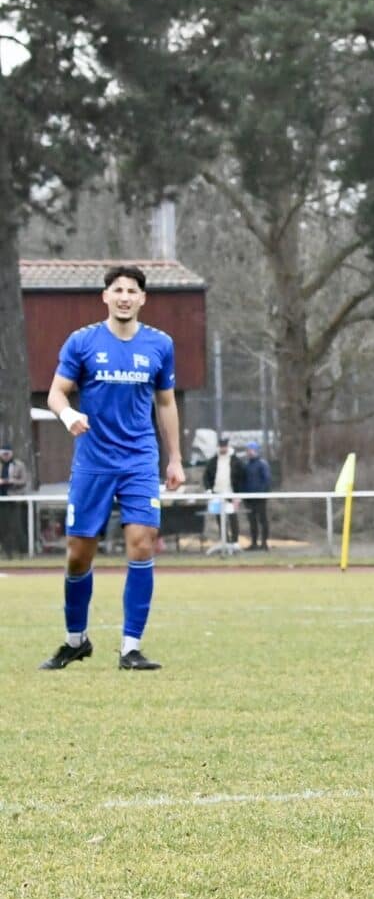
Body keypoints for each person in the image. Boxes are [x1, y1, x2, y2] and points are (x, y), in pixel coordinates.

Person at [37, 266, 184, 670]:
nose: (124, 296)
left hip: (139, 460)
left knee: (142, 542)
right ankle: (75, 640)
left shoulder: (160, 344)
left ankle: (130, 648)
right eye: (117, 289)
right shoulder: (83, 342)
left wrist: (174, 459)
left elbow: (166, 403)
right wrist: (69, 417)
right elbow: (55, 394)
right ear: (105, 296)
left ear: (142, 299)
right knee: (78, 555)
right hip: (93, 461)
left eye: (131, 291)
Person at [241, 444, 271, 550]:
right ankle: (254, 543)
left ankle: (264, 543)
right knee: (252, 521)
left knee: (262, 520)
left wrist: (261, 493)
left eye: (252, 450)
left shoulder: (262, 464)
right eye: (248, 450)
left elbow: (266, 480)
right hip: (249, 499)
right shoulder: (246, 465)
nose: (249, 452)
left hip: (260, 498)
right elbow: (243, 480)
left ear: (257, 451)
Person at [0, 443, 27, 556]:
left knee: (17, 526)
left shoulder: (19, 465)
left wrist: (8, 481)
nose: (5, 456)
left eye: (7, 454)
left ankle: (22, 551)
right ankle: (7, 552)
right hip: (1, 500)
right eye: (3, 454)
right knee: (3, 527)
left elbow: (24, 481)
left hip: (14, 499)